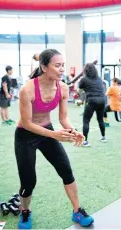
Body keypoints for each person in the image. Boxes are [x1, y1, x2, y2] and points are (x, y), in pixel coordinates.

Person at [15, 49, 94, 229]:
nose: (61, 69)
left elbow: (63, 118)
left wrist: (73, 131)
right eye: (57, 65)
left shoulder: (63, 87)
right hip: (25, 135)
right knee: (28, 180)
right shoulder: (27, 89)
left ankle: (77, 211)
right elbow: (27, 123)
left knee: (66, 170)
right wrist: (54, 134)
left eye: (63, 65)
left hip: (48, 131)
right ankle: (25, 211)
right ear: (44, 67)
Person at [77, 63, 107, 145]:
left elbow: (78, 91)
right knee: (100, 119)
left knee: (86, 121)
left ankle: (85, 141)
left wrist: (81, 93)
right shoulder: (99, 79)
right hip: (102, 100)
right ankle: (103, 137)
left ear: (85, 70)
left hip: (92, 101)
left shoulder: (84, 79)